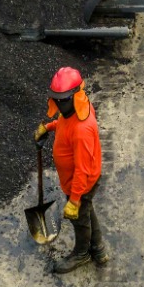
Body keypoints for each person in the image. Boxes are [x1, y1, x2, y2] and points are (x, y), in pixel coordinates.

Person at [34, 66, 107, 273]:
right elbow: (66, 122)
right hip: (78, 182)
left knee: (80, 218)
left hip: (81, 183)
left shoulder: (83, 130)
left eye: (63, 99)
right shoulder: (75, 108)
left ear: (75, 95)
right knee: (87, 212)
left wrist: (74, 200)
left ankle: (82, 254)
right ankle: (98, 249)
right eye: (56, 98)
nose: (58, 103)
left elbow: (82, 170)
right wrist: (49, 127)